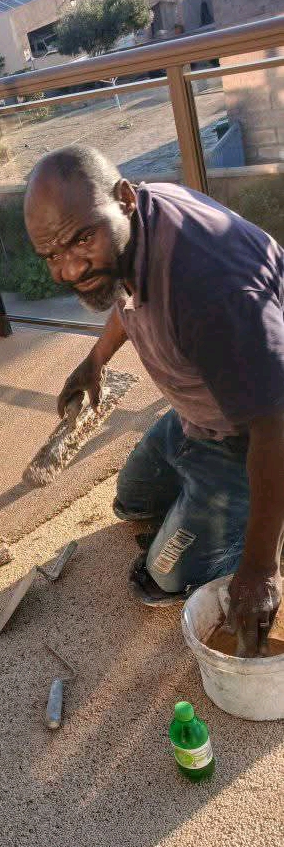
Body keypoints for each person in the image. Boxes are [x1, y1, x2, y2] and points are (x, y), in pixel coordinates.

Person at [23, 144, 284, 656]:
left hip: (252, 431)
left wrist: (259, 569)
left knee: (158, 580)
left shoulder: (211, 291)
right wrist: (95, 360)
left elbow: (276, 422)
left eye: (80, 240)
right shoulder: (135, 221)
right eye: (51, 255)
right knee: (131, 503)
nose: (70, 268)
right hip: (195, 412)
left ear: (123, 199)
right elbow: (124, 293)